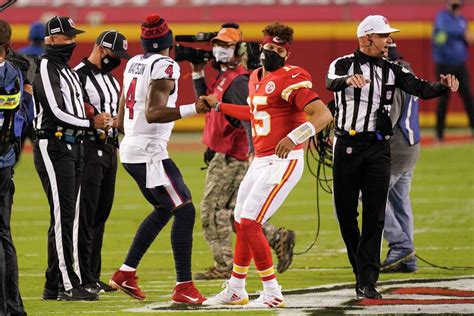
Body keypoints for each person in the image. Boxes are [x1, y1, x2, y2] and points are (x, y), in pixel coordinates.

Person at [326, 15, 459, 299]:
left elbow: (420, 87)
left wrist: (443, 86)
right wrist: (347, 80)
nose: (389, 40)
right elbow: (330, 82)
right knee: (346, 216)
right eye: (384, 35)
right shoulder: (342, 63)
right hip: (347, 146)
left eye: (389, 36)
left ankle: (368, 280)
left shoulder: (391, 69)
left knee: (375, 218)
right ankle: (360, 268)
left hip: (377, 149)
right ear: (366, 38)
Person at [201, 22, 333, 308]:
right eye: (267, 47)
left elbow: (322, 115)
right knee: (239, 220)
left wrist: (296, 136)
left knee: (250, 222)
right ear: (260, 47)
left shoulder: (292, 76)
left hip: (283, 160)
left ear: (286, 53)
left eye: (277, 49)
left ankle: (272, 291)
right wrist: (219, 106)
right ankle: (236, 288)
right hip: (260, 159)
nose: (270, 52)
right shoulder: (255, 77)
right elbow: (254, 112)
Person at [108, 14, 209, 304]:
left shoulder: (135, 63)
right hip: (148, 151)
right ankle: (184, 286)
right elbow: (153, 112)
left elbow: (121, 117)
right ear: (169, 40)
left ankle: (126, 272)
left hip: (133, 147)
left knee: (164, 209)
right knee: (185, 210)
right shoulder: (165, 65)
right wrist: (194, 108)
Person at [190, 23, 296, 280]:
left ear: (238, 49)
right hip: (227, 152)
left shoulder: (238, 80)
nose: (219, 49)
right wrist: (196, 73)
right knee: (239, 210)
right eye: (217, 44)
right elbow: (210, 107)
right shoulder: (228, 76)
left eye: (226, 45)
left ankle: (226, 265)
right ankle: (275, 237)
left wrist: (251, 151)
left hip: (233, 155)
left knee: (213, 210)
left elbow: (249, 118)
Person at [33, 16, 111, 301]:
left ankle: (53, 283)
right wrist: (91, 124)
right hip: (53, 144)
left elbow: (76, 107)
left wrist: (88, 116)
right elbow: (55, 111)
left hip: (72, 146)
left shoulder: (65, 70)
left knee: (69, 216)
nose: (72, 42)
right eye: (67, 37)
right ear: (52, 39)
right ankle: (69, 284)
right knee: (64, 215)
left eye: (73, 37)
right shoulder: (44, 67)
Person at [74, 30, 130, 294]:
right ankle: (81, 275)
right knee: (85, 214)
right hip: (87, 147)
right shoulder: (77, 76)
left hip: (109, 148)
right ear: (99, 48)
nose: (116, 60)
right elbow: (75, 111)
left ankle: (93, 274)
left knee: (101, 214)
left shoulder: (111, 80)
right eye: (114, 54)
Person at [0, 28, 34, 316]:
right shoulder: (15, 73)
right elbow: (26, 117)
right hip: (6, 159)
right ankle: (13, 305)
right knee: (3, 234)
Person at [380, 42, 419, 274]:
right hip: (411, 146)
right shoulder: (409, 73)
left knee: (366, 194)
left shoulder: (392, 80)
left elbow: (388, 122)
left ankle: (401, 245)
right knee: (400, 203)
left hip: (395, 149)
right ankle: (408, 258)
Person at [433, 0, 474, 140]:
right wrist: (463, 33)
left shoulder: (462, 19)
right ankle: (439, 133)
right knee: (443, 99)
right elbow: (445, 30)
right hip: (445, 65)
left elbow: (467, 38)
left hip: (460, 65)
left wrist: (467, 37)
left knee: (468, 97)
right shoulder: (442, 16)